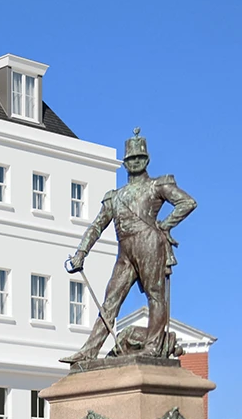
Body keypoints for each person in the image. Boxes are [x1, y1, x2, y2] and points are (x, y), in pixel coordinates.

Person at [62, 128, 196, 364]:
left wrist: (164, 226)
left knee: (155, 296)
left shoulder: (157, 185)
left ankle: (153, 346)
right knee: (110, 299)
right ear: (124, 163)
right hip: (125, 250)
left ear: (146, 160)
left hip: (149, 243)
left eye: (139, 158)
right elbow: (97, 225)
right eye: (131, 158)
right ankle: (89, 350)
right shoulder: (115, 196)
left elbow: (187, 202)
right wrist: (81, 253)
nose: (135, 162)